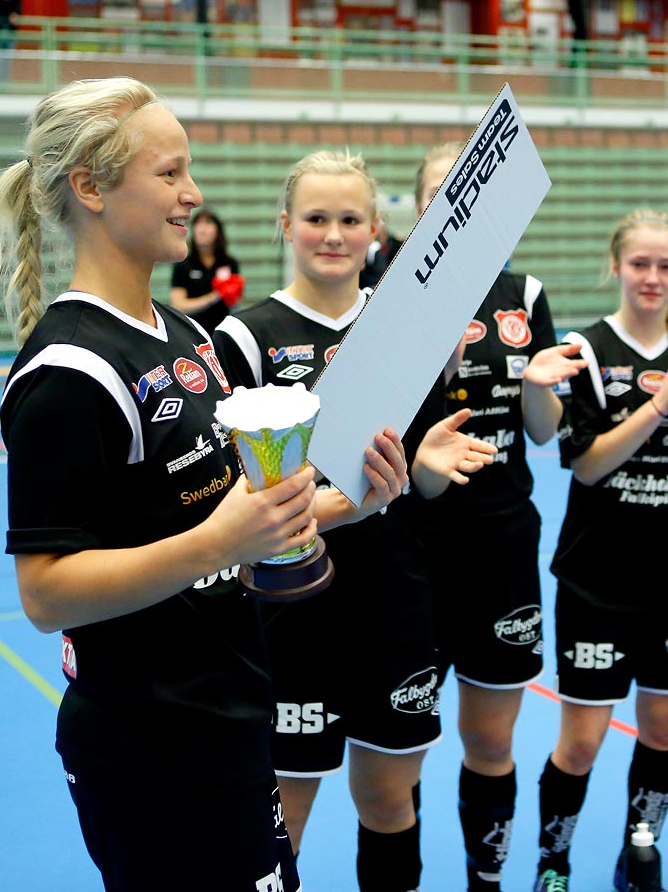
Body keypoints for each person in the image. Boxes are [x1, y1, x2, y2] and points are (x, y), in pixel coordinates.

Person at [0, 77, 409, 891]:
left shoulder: (183, 335)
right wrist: (217, 541)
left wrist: (346, 507)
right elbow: (45, 595)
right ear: (92, 188)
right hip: (152, 743)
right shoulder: (70, 373)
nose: (194, 193)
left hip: (230, 712)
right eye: (171, 172)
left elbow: (226, 528)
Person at [212, 149, 497, 892]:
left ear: (376, 230)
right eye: (315, 218)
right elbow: (232, 496)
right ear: (284, 226)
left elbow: (422, 476)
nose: (332, 235)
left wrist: (428, 472)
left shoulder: (407, 327)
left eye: (348, 219)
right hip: (290, 612)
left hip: (396, 600)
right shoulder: (244, 338)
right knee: (284, 811)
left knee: (387, 796)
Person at [533, 209, 668, 892]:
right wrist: (657, 405)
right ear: (616, 266)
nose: (652, 278)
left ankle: (639, 851)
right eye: (639, 264)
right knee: (583, 741)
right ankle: (554, 862)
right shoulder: (585, 351)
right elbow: (588, 465)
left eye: (664, 265)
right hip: (597, 574)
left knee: (660, 730)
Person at [410, 142, 588, 892]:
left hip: (501, 545)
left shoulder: (525, 293)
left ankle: (487, 881)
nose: (455, 209)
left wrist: (542, 386)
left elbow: (542, 431)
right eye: (438, 196)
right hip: (409, 551)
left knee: (490, 741)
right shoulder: (382, 293)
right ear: (418, 210)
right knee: (400, 746)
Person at [169, 206, 243, 334]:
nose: (202, 229)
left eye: (208, 223)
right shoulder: (183, 265)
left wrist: (234, 290)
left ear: (217, 230)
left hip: (222, 332)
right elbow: (179, 305)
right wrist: (214, 296)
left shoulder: (229, 263)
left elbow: (235, 303)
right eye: (198, 224)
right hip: (192, 332)